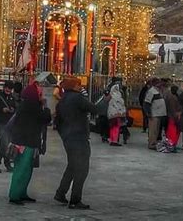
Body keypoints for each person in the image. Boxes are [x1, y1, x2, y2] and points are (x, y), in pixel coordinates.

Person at [54, 76, 97, 210]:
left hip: (68, 138)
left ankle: (61, 193)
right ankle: (75, 200)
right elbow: (94, 109)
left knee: (72, 166)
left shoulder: (62, 101)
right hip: (79, 138)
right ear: (73, 86)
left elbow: (58, 122)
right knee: (82, 169)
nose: (81, 87)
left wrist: (64, 136)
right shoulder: (78, 98)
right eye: (78, 85)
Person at [8, 81, 51, 205]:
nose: (41, 94)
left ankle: (22, 192)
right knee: (21, 169)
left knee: (27, 170)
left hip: (28, 141)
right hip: (24, 142)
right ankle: (15, 195)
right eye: (40, 92)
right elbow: (45, 118)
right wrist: (46, 107)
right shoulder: (32, 105)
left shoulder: (27, 104)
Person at [144, 77, 166, 150]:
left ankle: (154, 142)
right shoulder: (151, 91)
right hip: (154, 114)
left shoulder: (158, 91)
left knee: (156, 130)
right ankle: (151, 143)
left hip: (159, 113)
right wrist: (148, 113)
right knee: (153, 130)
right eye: (158, 82)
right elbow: (147, 103)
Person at [107, 82, 126, 146]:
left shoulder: (111, 96)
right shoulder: (118, 96)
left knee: (112, 127)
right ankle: (115, 140)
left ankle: (111, 139)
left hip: (111, 114)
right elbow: (121, 105)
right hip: (117, 114)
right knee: (116, 127)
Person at [164, 85, 182, 151]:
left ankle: (172, 144)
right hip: (173, 117)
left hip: (173, 116)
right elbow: (172, 108)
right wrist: (176, 115)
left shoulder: (172, 97)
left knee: (173, 131)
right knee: (173, 132)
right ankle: (172, 145)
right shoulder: (173, 98)